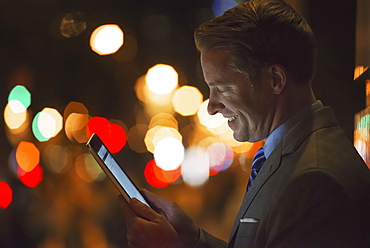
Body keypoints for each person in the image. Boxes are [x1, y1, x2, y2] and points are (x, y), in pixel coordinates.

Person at [118, 0, 370, 247]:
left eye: (222, 88)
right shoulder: (295, 157)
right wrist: (193, 239)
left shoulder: (314, 180)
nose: (211, 106)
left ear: (275, 80)